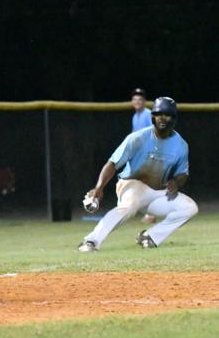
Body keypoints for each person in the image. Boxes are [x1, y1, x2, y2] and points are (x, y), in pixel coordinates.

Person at [78, 97, 198, 252]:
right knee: (128, 207)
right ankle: (91, 241)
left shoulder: (181, 145)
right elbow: (112, 164)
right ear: (153, 116)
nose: (162, 118)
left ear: (174, 118)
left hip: (158, 194)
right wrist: (99, 188)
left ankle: (150, 237)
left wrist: (176, 181)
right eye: (158, 114)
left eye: (167, 114)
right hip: (132, 185)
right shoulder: (138, 138)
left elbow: (183, 173)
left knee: (190, 208)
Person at [130, 88, 156, 224]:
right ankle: (150, 212)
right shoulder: (135, 116)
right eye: (135, 99)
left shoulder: (147, 114)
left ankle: (151, 213)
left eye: (140, 99)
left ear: (144, 101)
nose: (137, 102)